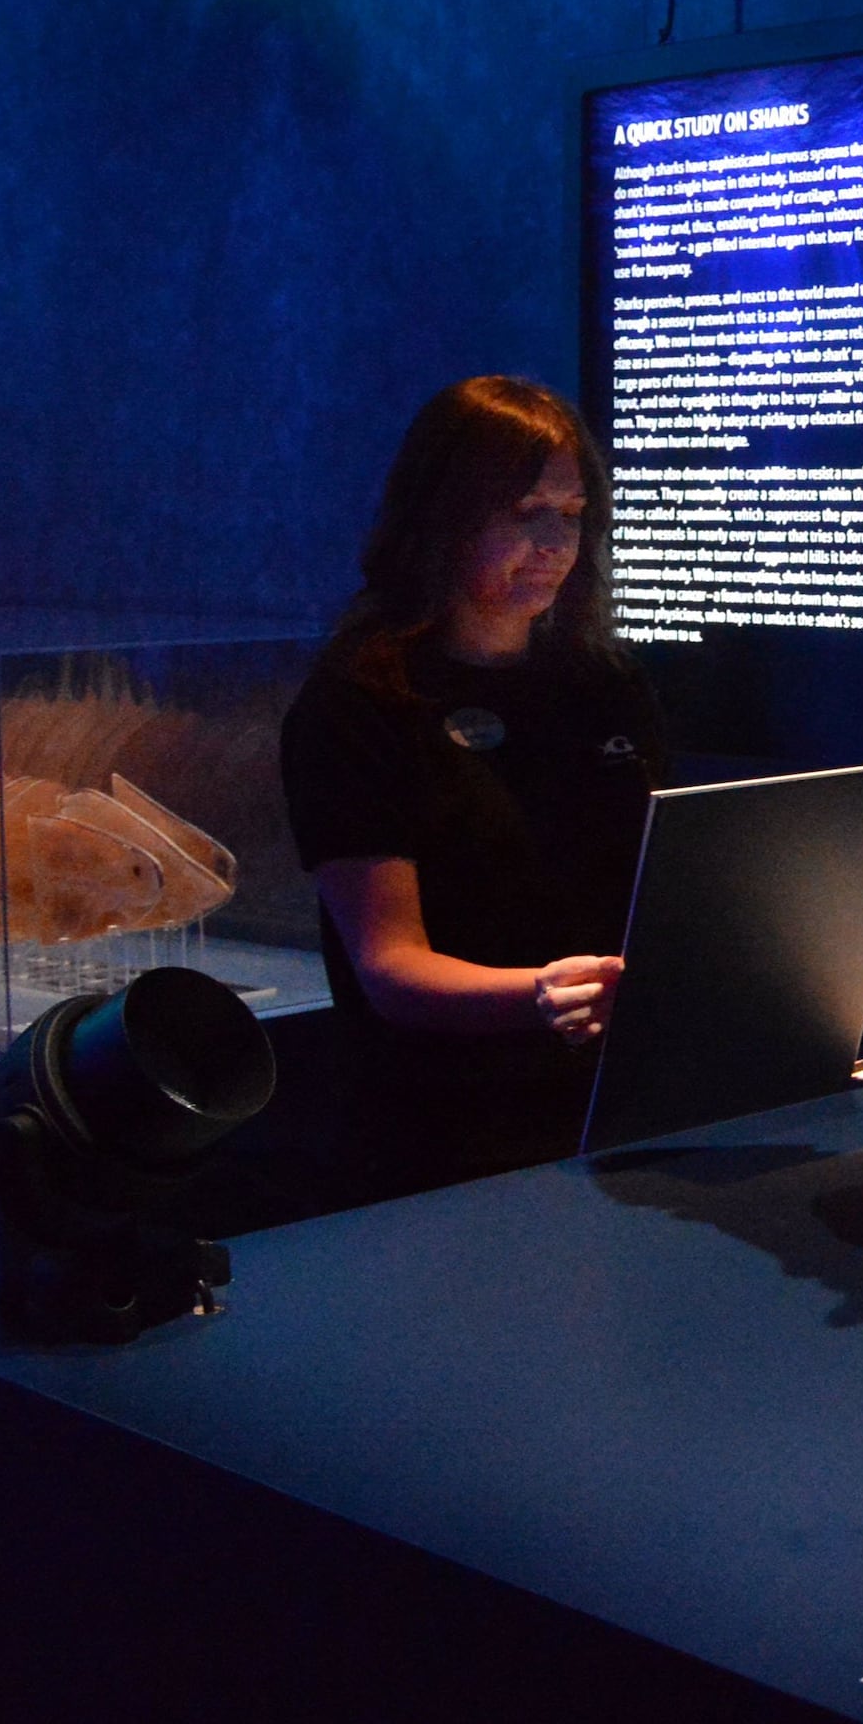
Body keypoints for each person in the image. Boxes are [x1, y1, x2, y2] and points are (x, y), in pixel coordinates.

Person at [279, 377, 662, 1197]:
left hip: (619, 1109)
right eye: (528, 513)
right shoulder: (362, 702)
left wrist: (785, 949)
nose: (557, 542)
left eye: (573, 513)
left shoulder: (606, 685)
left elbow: (666, 891)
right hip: (446, 1140)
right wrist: (538, 994)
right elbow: (390, 967)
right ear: (447, 514)